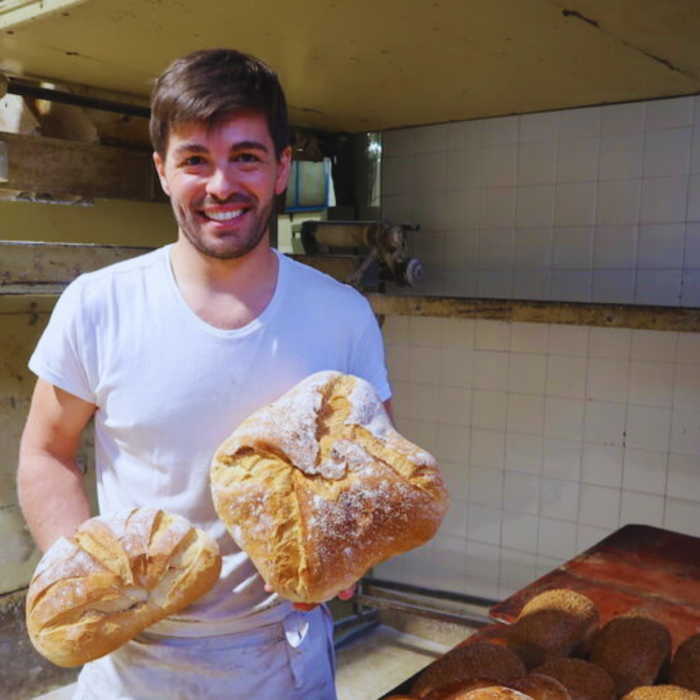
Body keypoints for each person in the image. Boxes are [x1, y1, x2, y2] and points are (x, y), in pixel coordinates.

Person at [17, 48, 392, 699]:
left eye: (245, 157)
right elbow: (47, 452)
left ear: (281, 169)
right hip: (133, 659)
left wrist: (353, 552)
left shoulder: (341, 315)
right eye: (195, 160)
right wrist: (82, 572)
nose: (221, 186)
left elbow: (373, 469)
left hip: (281, 657)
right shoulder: (100, 304)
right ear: (162, 171)